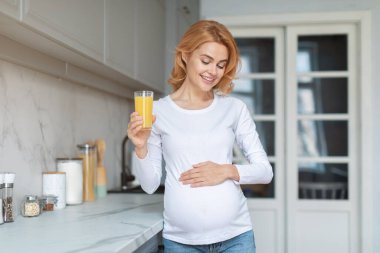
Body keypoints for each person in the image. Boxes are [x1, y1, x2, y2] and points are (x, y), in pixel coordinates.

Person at [127, 20, 273, 253]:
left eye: (220, 65)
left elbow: (265, 171)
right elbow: (149, 185)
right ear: (185, 55)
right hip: (182, 242)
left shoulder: (234, 109)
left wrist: (225, 170)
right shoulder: (157, 112)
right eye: (206, 61)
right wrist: (141, 147)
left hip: (236, 238)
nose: (213, 72)